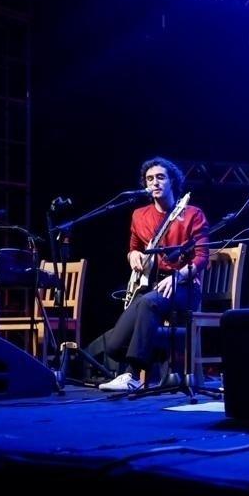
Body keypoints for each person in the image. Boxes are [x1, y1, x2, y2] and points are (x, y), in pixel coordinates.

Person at [99, 157, 210, 392]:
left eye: (160, 177)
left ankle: (132, 376)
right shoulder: (140, 215)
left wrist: (177, 277)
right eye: (150, 179)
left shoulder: (192, 214)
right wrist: (133, 256)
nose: (155, 183)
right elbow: (134, 246)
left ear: (172, 181)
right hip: (150, 287)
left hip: (185, 286)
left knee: (148, 303)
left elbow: (201, 257)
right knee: (113, 346)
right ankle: (142, 364)